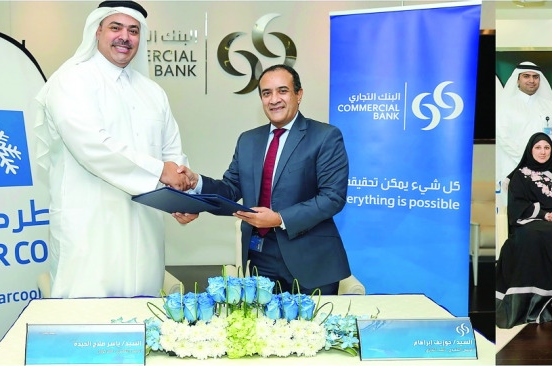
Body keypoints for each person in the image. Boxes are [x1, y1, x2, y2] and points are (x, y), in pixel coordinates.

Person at [34, 1, 193, 298]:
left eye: (133, 30)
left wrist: (182, 197)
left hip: (145, 230)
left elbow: (172, 152)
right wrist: (162, 172)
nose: (125, 37)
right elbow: (92, 146)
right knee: (86, 317)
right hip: (90, 230)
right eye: (116, 27)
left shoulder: (153, 92)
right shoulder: (72, 80)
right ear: (97, 31)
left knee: (143, 312)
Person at [173, 64, 351, 295]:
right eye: (267, 93)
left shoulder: (325, 136)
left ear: (299, 94)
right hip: (260, 259)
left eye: (282, 91)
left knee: (311, 321)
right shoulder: (248, 140)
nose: (274, 99)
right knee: (262, 320)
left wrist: (279, 218)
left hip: (312, 261)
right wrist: (196, 183)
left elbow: (332, 198)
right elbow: (231, 189)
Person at [495, 133, 552, 328]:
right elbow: (518, 205)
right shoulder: (520, 175)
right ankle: (527, 300)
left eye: (546, 148)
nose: (543, 152)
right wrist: (545, 215)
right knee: (530, 236)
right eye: (538, 147)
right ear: (530, 149)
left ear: (551, 150)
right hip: (532, 220)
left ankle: (551, 296)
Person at [496, 62, 552, 207]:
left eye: (535, 77)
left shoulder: (550, 106)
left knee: (546, 208)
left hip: (546, 168)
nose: (531, 80)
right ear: (518, 80)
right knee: (518, 209)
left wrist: (546, 158)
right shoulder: (505, 106)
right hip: (514, 167)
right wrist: (527, 160)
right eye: (526, 76)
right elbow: (503, 137)